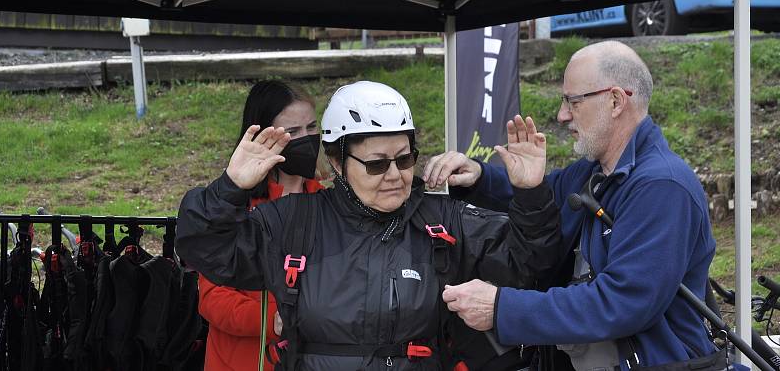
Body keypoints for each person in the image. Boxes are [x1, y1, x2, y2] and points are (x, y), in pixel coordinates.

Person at [176, 80, 561, 371]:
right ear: (338, 164)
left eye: (406, 160)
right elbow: (204, 248)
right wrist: (229, 189)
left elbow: (529, 263)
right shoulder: (295, 220)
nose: (395, 175)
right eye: (377, 163)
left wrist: (530, 193)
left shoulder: (442, 219)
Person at [425, 41, 722, 371]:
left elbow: (623, 303)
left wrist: (501, 308)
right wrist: (481, 177)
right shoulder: (593, 173)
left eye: (573, 101)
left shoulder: (661, 187)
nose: (562, 114)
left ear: (615, 101)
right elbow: (544, 205)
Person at [197, 80, 326, 371]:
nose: (306, 139)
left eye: (312, 127)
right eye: (292, 132)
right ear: (261, 136)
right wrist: (271, 320)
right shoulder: (230, 205)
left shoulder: (327, 200)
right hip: (238, 361)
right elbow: (210, 298)